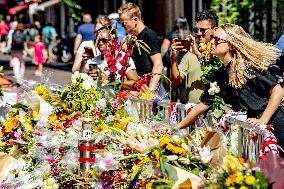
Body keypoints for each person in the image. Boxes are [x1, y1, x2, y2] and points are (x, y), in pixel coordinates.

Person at [176, 23, 284, 155]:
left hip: (273, 125)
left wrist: (262, 120)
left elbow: (278, 91)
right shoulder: (222, 73)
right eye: (212, 38)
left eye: (217, 39)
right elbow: (204, 103)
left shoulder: (249, 67)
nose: (212, 42)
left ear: (232, 45)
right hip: (254, 129)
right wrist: (178, 126)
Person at [170, 10, 219, 104]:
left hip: (214, 113)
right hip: (192, 113)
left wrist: (197, 53)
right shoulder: (190, 54)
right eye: (196, 30)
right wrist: (173, 58)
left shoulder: (220, 52)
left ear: (215, 29)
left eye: (203, 30)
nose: (199, 33)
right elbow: (176, 82)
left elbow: (212, 75)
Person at [118, 2, 163, 92]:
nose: (122, 26)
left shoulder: (149, 35)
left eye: (124, 23)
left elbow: (158, 65)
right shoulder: (130, 38)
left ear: (135, 20)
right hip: (137, 89)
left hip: (150, 90)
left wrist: (150, 91)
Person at [161, 17, 191, 103]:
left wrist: (161, 60)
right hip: (186, 61)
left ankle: (173, 106)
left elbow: (164, 48)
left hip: (174, 61)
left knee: (173, 85)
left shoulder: (171, 34)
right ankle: (183, 106)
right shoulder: (190, 35)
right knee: (184, 85)